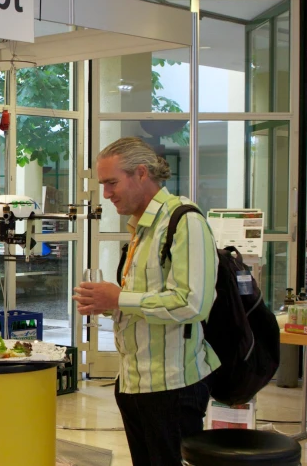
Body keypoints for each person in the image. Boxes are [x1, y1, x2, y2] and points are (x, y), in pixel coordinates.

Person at [72, 137, 220, 466]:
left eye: (112, 183)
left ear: (141, 174)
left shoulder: (186, 223)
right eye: (103, 184)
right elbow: (146, 299)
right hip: (133, 383)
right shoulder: (140, 229)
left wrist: (120, 298)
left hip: (171, 386)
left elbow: (193, 304)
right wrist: (109, 302)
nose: (106, 194)